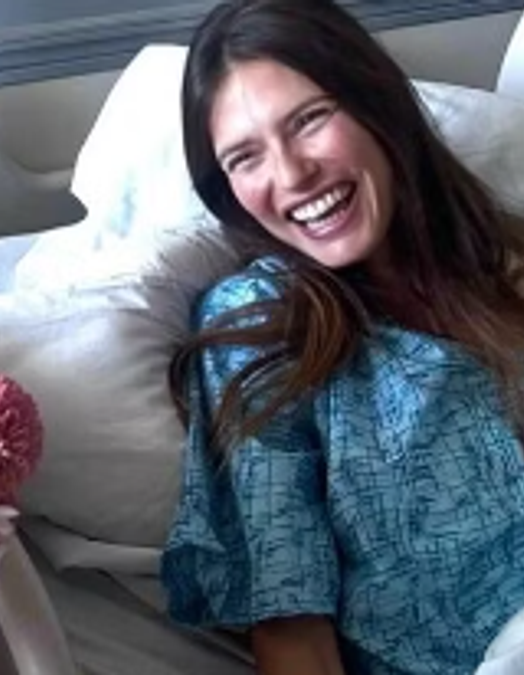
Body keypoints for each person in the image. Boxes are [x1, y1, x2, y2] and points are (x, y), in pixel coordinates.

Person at [160, 1, 524, 674]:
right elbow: (292, 626)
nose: (291, 175)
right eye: (245, 156)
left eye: (308, 120)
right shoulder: (262, 330)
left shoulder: (498, 261)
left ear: (373, 102)